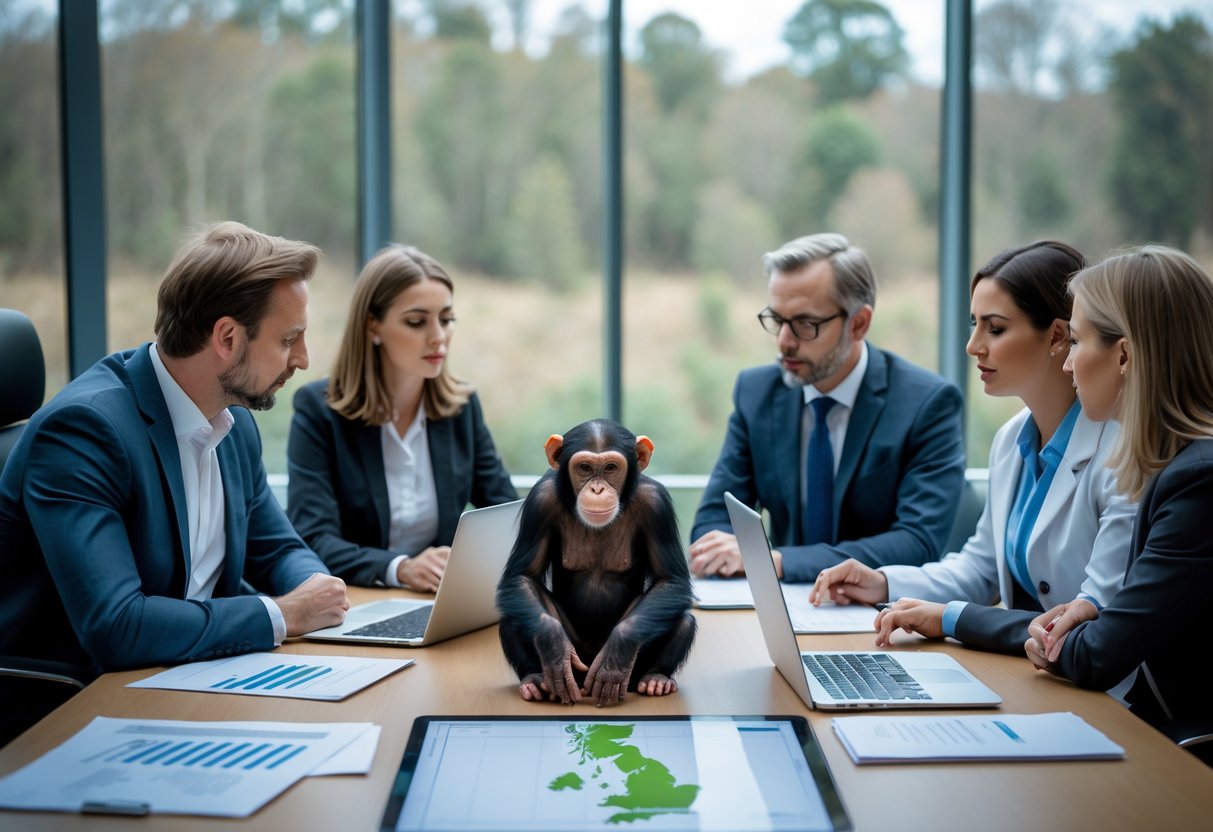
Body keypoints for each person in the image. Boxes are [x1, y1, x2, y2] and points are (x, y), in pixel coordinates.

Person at [0, 221, 350, 683]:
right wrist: (281, 615)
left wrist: (316, 590)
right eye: (288, 339)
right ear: (226, 338)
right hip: (77, 699)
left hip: (192, 673)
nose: (303, 359)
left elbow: (278, 548)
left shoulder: (234, 420)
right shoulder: (83, 432)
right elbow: (116, 626)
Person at [809, 241, 1136, 653]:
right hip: (1030, 668)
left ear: (1057, 335)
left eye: (995, 328)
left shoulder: (1122, 452)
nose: (973, 345)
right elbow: (979, 568)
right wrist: (883, 581)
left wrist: (949, 618)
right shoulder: (1010, 441)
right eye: (973, 324)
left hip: (1099, 689)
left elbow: (1097, 615)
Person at [689, 232, 966, 583]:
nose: (784, 341)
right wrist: (724, 550)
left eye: (805, 324)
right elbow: (713, 520)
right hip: (781, 608)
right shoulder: (756, 392)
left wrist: (779, 561)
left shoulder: (927, 403)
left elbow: (918, 540)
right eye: (776, 319)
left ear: (859, 323)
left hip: (883, 618)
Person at [1024, 246, 1213, 757]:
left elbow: (1103, 655)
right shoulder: (1179, 466)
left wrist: (1058, 639)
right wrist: (1088, 615)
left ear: (1125, 356)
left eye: (1078, 341)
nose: (1066, 364)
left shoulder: (1198, 480)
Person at [287, 245, 517, 591]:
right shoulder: (319, 411)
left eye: (446, 319)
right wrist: (401, 568)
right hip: (354, 600)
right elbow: (313, 538)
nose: (439, 336)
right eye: (417, 321)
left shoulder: (461, 408)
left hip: (438, 602)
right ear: (372, 327)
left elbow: (508, 519)